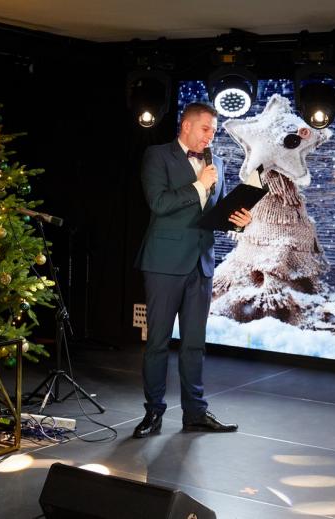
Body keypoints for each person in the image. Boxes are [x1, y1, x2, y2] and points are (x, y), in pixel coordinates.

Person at [133, 102, 252, 438]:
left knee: (195, 344)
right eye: (205, 129)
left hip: (201, 263)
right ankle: (153, 412)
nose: (210, 136)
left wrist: (240, 221)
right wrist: (199, 186)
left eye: (213, 131)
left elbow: (220, 212)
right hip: (164, 263)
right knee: (158, 343)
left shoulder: (218, 163)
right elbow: (159, 203)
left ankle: (195, 413)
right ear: (186, 126)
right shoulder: (158, 156)